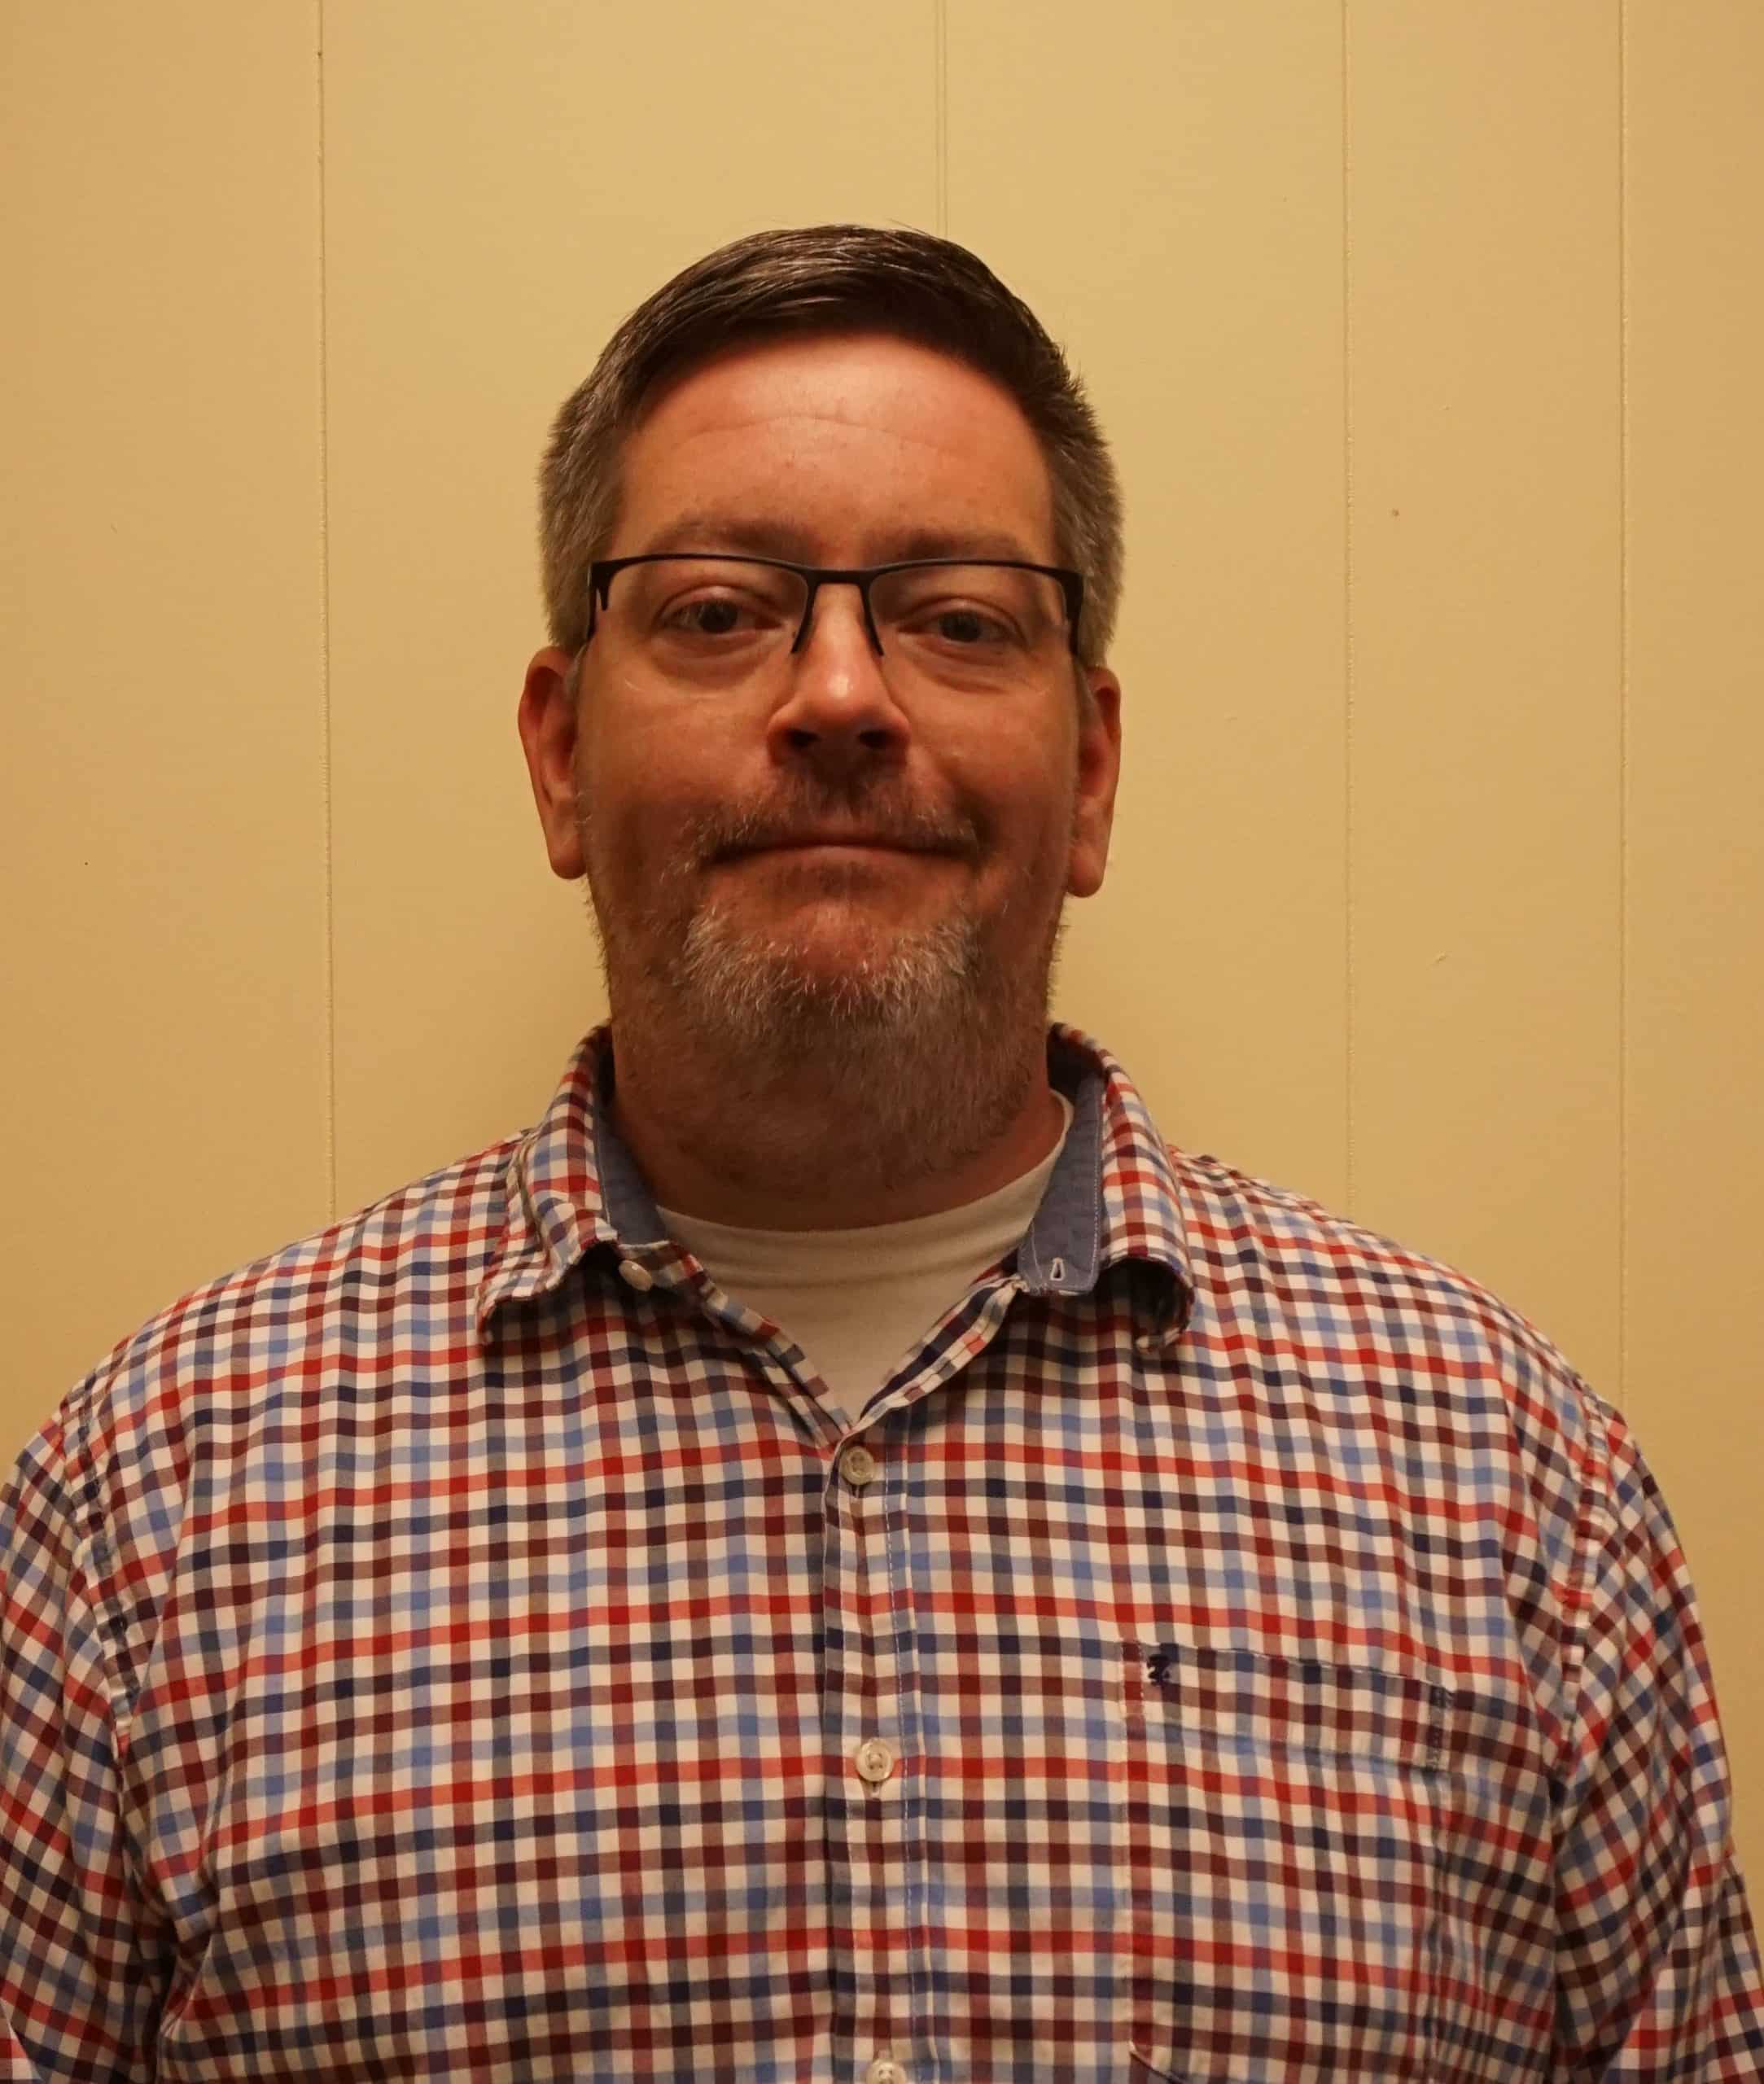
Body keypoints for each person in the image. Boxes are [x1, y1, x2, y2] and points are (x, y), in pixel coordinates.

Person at [2, 223, 1759, 2083]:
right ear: (558, 752)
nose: (839, 695)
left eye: (957, 619)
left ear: (1090, 769)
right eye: (715, 611)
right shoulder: (156, 1503)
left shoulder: (1509, 1489)